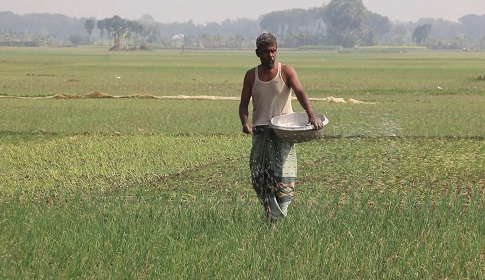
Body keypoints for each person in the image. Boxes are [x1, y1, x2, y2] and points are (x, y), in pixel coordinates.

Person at [239, 32, 324, 223]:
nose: (270, 55)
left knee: (283, 176)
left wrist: (312, 116)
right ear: (257, 53)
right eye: (266, 52)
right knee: (260, 175)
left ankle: (278, 217)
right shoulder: (251, 76)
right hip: (261, 133)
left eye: (273, 51)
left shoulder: (286, 72)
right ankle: (271, 214)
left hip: (283, 133)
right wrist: (245, 122)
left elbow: (301, 93)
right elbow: (244, 104)